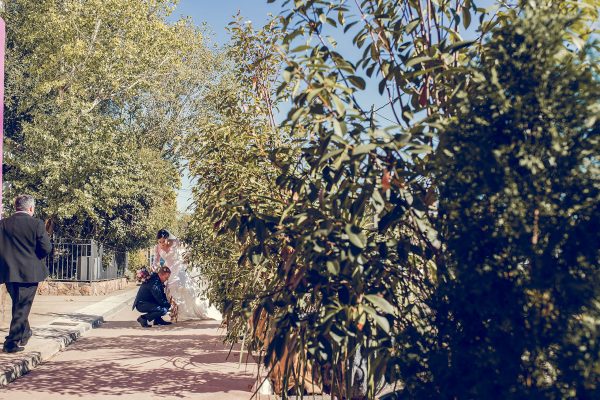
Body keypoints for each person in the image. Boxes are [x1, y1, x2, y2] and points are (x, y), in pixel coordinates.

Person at [0, 195, 53, 353]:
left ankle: (25, 332)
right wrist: (33, 258)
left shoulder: (3, 224)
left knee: (19, 304)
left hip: (9, 272)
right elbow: (46, 248)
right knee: (22, 306)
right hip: (29, 272)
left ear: (16, 207)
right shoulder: (36, 223)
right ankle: (11, 342)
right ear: (31, 208)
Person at [152, 229, 222, 321]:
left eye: (163, 241)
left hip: (179, 266)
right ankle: (176, 310)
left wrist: (186, 259)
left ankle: (184, 309)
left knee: (183, 286)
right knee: (170, 289)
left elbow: (188, 250)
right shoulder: (157, 248)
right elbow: (156, 261)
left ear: (167, 238)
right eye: (159, 241)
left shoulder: (175, 242)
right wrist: (154, 267)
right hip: (168, 269)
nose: (162, 244)